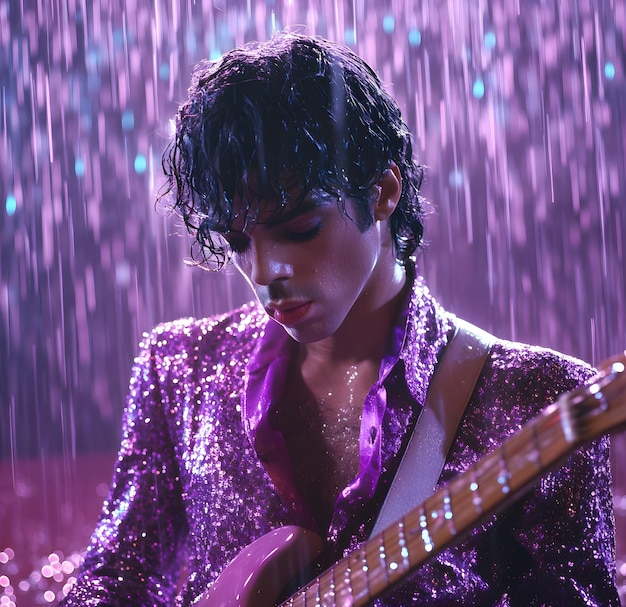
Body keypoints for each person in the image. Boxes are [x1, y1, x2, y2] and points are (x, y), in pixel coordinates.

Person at [60, 33, 619, 606]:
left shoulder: (540, 398)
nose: (264, 271)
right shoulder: (177, 372)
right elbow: (110, 586)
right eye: (235, 241)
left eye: (299, 228)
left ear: (383, 190)